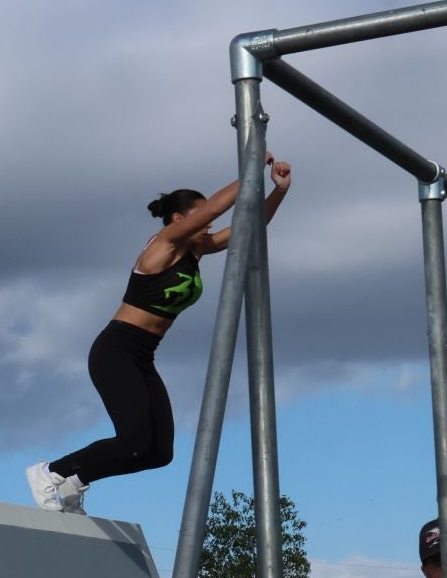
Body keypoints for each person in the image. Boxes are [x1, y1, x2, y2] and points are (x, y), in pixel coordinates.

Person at [26, 157, 293, 513]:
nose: (210, 222)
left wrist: (279, 191)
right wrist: (252, 168)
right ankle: (50, 471)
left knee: (157, 452)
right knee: (132, 438)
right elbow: (217, 204)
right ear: (180, 219)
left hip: (143, 356)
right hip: (116, 349)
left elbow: (250, 226)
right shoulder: (164, 244)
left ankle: (76, 482)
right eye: (202, 216)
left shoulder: (197, 250)